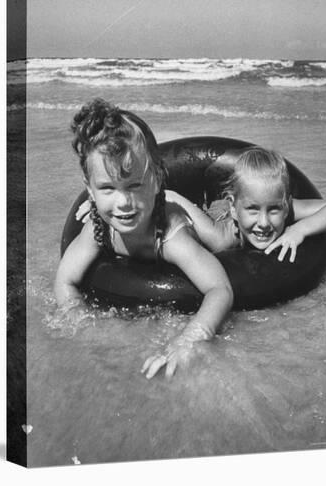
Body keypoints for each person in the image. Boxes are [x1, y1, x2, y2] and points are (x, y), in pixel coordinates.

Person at [54, 98, 234, 380]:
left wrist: (188, 340)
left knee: (222, 242)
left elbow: (219, 289)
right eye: (107, 188)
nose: (123, 202)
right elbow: (65, 278)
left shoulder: (171, 238)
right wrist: (76, 318)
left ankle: (178, 199)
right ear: (90, 189)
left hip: (177, 215)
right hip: (155, 202)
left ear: (157, 179)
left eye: (135, 185)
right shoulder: (98, 227)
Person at [165, 147, 326, 262]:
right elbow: (173, 197)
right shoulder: (220, 239)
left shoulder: (286, 208)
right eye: (253, 210)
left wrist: (299, 230)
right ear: (234, 208)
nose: (263, 222)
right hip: (212, 215)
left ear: (285, 205)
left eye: (274, 210)